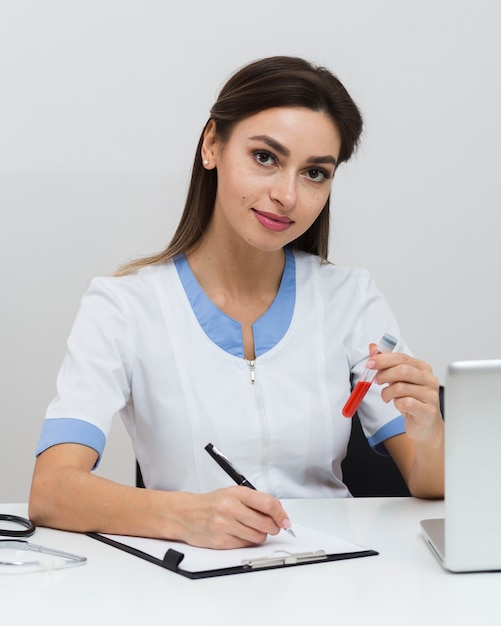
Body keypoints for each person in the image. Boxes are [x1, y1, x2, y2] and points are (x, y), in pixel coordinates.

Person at [29, 55, 444, 549]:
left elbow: (428, 482)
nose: (287, 195)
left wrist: (430, 427)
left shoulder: (350, 298)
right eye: (265, 157)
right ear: (212, 145)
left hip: (333, 575)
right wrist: (186, 516)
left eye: (315, 173)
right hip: (191, 581)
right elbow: (51, 490)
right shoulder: (123, 306)